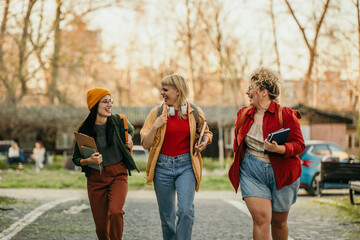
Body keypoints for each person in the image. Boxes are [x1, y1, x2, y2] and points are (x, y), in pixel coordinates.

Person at [228, 67, 305, 240]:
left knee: (278, 222)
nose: (247, 92)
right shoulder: (243, 115)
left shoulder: (285, 114)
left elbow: (299, 145)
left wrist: (279, 149)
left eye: (251, 88)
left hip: (282, 171)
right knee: (261, 219)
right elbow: (237, 145)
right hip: (252, 171)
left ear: (263, 91)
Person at [140, 74, 213, 240]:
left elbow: (207, 132)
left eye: (165, 90)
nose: (161, 93)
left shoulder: (195, 112)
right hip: (162, 168)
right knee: (167, 218)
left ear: (177, 91)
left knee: (186, 211)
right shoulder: (156, 113)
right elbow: (145, 144)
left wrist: (203, 141)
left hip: (186, 166)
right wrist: (155, 126)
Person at [72, 87, 139, 240]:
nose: (109, 105)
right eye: (105, 102)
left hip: (118, 175)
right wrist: (89, 160)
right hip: (96, 180)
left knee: (115, 212)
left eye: (111, 101)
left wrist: (128, 138)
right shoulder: (85, 131)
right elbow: (76, 159)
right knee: (101, 229)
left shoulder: (118, 120)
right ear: (95, 104)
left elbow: (131, 130)